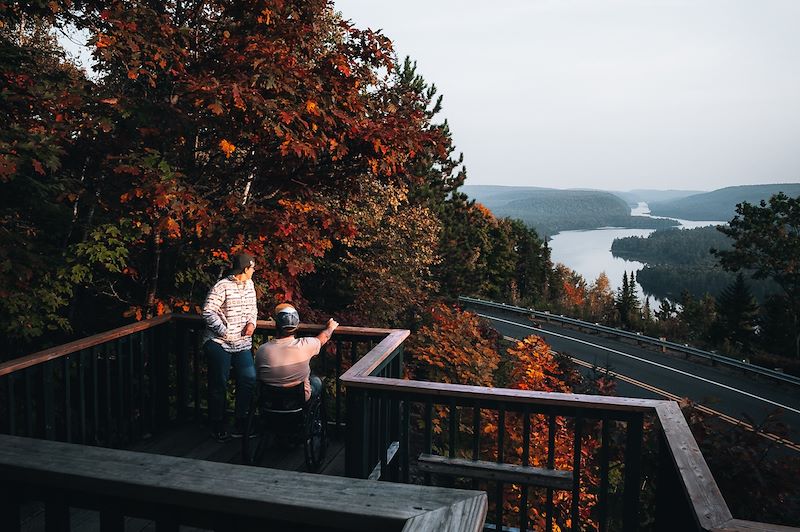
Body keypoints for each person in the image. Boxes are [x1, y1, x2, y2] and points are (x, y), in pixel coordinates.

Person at [202, 253, 258, 442]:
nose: (254, 271)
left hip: (241, 344)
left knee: (249, 378)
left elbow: (253, 310)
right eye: (252, 268)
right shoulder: (222, 287)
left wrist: (252, 323)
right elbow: (208, 311)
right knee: (219, 383)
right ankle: (217, 424)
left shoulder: (250, 285)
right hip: (220, 343)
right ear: (245, 269)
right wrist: (224, 331)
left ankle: (241, 421)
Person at [255, 304, 338, 405]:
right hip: (297, 401)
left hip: (270, 402)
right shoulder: (306, 345)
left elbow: (258, 376)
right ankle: (312, 417)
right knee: (316, 381)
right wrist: (331, 327)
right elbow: (324, 337)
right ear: (296, 326)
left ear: (277, 325)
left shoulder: (263, 350)